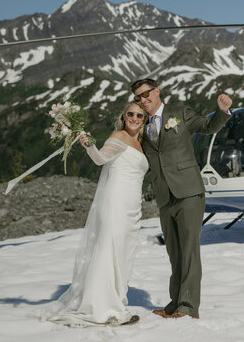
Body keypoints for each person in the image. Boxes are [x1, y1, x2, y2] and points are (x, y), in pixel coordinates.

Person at [131, 77, 232, 319]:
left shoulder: (179, 112)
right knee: (174, 252)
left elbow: (208, 127)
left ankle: (188, 307)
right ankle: (175, 302)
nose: (142, 100)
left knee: (189, 250)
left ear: (157, 91)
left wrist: (222, 110)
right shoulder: (141, 124)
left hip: (188, 191)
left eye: (146, 94)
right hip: (164, 195)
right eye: (137, 98)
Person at [41, 102, 148, 327]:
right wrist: (88, 145)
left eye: (139, 115)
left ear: (144, 120)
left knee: (122, 253)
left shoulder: (140, 142)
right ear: (123, 116)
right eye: (130, 114)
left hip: (132, 207)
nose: (134, 118)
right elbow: (100, 158)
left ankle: (116, 301)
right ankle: (101, 307)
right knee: (108, 250)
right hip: (116, 202)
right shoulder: (118, 136)